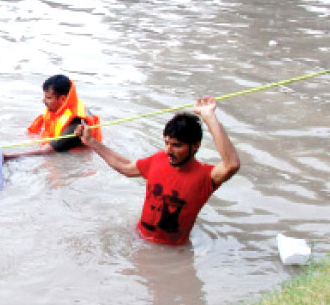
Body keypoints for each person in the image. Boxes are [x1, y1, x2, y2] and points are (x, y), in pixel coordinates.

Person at [75, 96, 240, 246]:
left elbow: (231, 164)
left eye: (177, 145)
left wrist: (209, 116)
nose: (169, 150)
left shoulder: (205, 176)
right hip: (139, 238)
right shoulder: (158, 159)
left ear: (195, 145)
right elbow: (125, 167)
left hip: (173, 252)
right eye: (167, 143)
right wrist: (92, 142)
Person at [4, 74, 102, 160]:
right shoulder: (62, 106)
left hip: (76, 158)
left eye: (48, 98)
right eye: (45, 96)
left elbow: (47, 151)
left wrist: (10, 157)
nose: (43, 101)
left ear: (63, 99)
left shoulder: (75, 124)